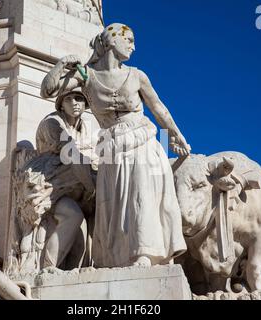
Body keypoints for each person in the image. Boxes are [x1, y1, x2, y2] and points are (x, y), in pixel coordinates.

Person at [41, 23, 190, 267]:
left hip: (142, 142)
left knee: (142, 195)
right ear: (111, 41)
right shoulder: (86, 75)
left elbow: (158, 108)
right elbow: (47, 91)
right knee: (114, 203)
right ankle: (117, 259)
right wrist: (60, 66)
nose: (134, 45)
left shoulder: (137, 75)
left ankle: (144, 253)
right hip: (111, 149)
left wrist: (175, 135)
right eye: (129, 40)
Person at [19, 87, 97, 270]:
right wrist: (90, 186)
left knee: (82, 232)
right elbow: (71, 154)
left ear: (86, 104)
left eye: (79, 98)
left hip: (68, 187)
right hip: (46, 186)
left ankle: (73, 273)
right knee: (73, 215)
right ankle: (49, 267)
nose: (75, 103)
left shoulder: (84, 128)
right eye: (68, 99)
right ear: (61, 104)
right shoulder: (52, 123)